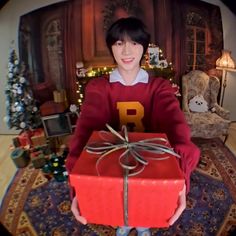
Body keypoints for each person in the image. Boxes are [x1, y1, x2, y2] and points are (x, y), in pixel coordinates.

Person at [66, 17, 200, 236]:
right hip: (110, 163)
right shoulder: (99, 87)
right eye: (119, 43)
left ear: (144, 47)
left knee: (146, 200)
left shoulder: (159, 87)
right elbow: (86, 126)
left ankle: (143, 222)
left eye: (134, 43)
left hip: (151, 162)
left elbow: (174, 122)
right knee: (119, 199)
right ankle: (125, 222)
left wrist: (181, 177)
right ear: (111, 47)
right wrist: (77, 183)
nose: (127, 50)